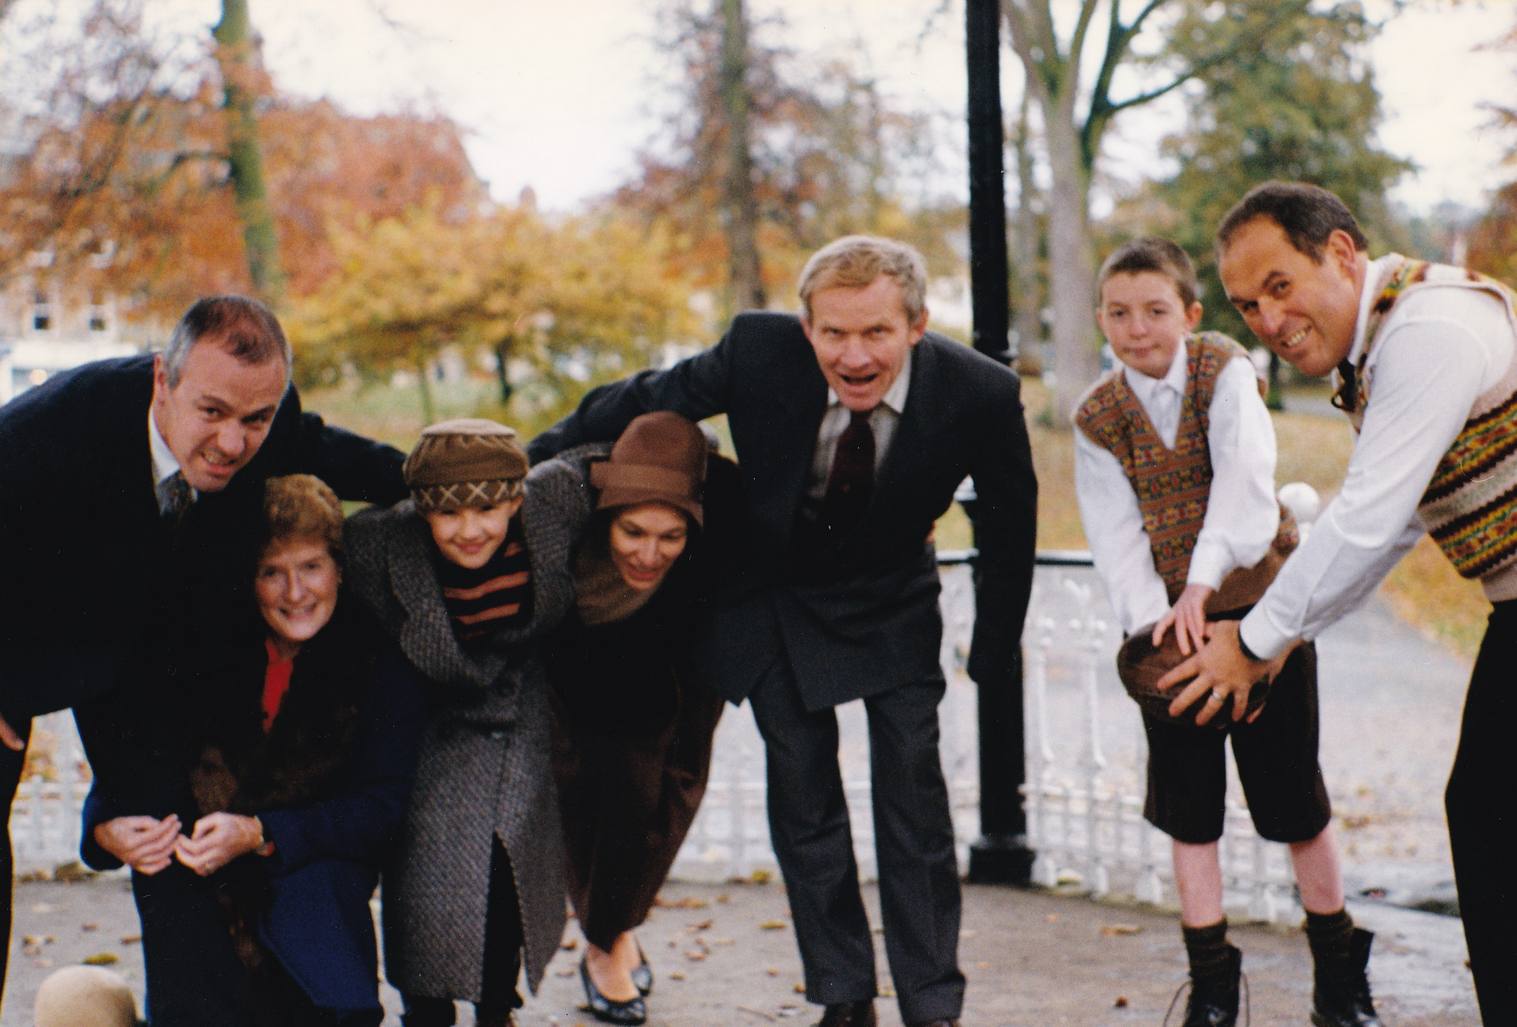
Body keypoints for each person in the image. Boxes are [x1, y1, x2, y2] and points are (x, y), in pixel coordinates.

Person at [528, 235, 1038, 1027]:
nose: (854, 355)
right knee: (804, 801)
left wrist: (995, 647)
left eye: (875, 332)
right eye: (834, 332)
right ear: (806, 328)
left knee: (913, 799)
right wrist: (517, 465)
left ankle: (932, 1003)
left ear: (915, 325)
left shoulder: (980, 391)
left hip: (891, 596)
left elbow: (1009, 520)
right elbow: (642, 399)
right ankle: (842, 996)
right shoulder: (757, 350)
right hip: (774, 596)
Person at [1160, 180, 1517, 1024]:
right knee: (1487, 810)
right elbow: (1391, 527)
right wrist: (1285, 636)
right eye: (1248, 305)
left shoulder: (1427, 329)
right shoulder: (1390, 339)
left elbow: (1366, 518)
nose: (1269, 320)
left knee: (1488, 814)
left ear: (1342, 254)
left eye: (1280, 285)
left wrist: (1253, 640)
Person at [0, 294, 405, 1013]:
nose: (232, 442)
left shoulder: (267, 423)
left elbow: (341, 455)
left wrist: (458, 486)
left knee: (165, 847)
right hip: (29, 645)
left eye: (256, 419)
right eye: (212, 412)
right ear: (164, 379)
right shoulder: (49, 431)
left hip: (158, 672)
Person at [1074, 237, 1376, 1027]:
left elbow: (1243, 486)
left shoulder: (1223, 370)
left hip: (1258, 610)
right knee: (1189, 808)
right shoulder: (1097, 416)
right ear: (1100, 319)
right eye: (1118, 313)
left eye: (1154, 310)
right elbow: (1115, 535)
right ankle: (1211, 983)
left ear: (1189, 313)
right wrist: (1157, 628)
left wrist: (1202, 588)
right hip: (1171, 631)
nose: (1137, 328)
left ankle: (1338, 977)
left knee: (1293, 797)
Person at [86, 474, 426, 1026]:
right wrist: (107, 826)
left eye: (311, 566)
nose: (295, 592)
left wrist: (263, 832)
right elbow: (137, 757)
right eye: (272, 572)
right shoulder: (204, 650)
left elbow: (383, 808)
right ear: (250, 578)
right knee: (85, 999)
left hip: (312, 903)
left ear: (339, 568)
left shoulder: (379, 663)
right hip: (198, 905)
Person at [345, 419, 578, 1027]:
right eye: (448, 513)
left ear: (516, 500)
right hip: (428, 716)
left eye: (488, 509)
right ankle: (426, 1011)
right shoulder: (378, 542)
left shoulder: (553, 505)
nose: (470, 530)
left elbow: (613, 444)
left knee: (505, 871)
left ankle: (497, 1007)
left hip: (517, 711)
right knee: (424, 879)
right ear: (422, 511)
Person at [535, 412, 736, 1025]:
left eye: (670, 536)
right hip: (578, 681)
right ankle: (605, 946)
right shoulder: (564, 539)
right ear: (606, 517)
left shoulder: (714, 541)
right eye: (633, 532)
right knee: (596, 809)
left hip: (671, 681)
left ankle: (612, 931)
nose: (648, 554)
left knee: (660, 811)